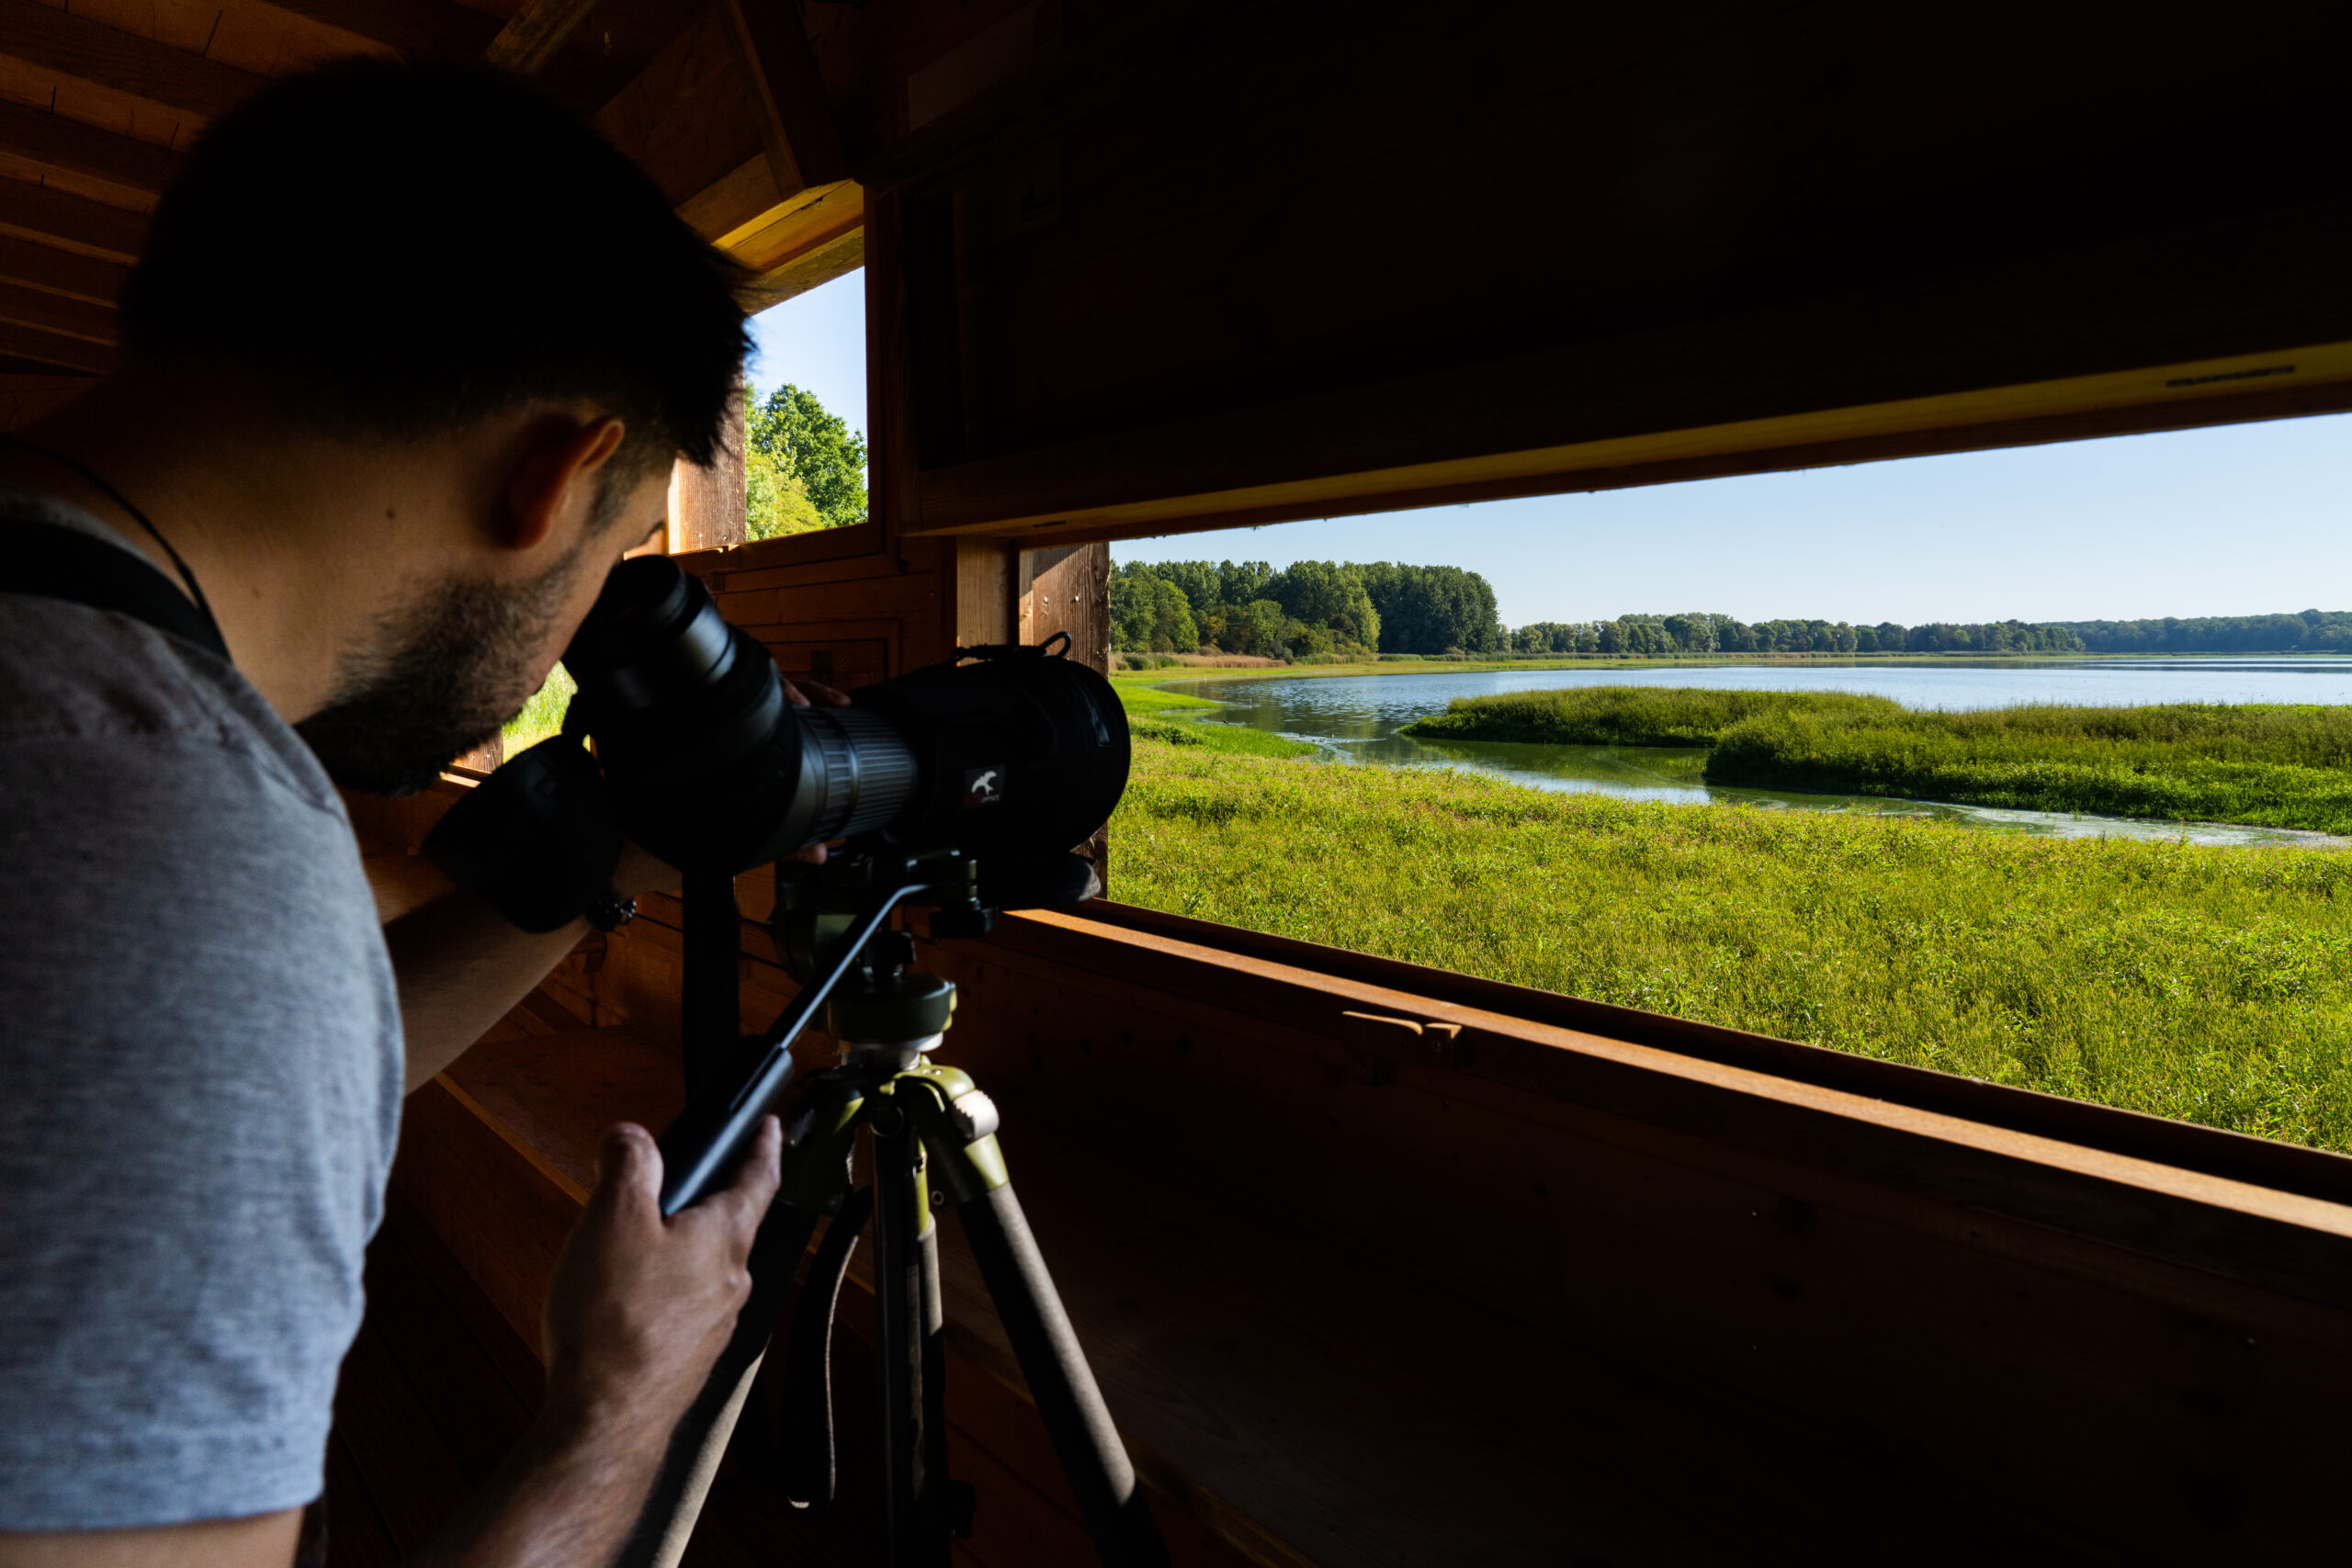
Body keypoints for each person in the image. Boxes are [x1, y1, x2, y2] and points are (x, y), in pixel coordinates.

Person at [0, 61, 837, 1566]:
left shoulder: (80, 726)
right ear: (557, 470)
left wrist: (616, 851)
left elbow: (224, 1046)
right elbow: (191, 974)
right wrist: (619, 1417)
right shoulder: (172, 832)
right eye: (620, 550)